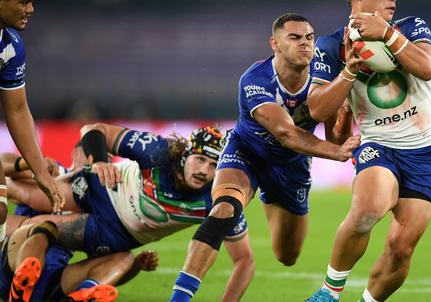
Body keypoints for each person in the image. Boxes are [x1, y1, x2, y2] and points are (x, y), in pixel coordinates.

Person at [168, 13, 360, 302]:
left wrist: (344, 113)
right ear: (275, 43)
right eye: (294, 38)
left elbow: (337, 137)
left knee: (288, 256)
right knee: (223, 210)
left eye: (308, 38)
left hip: (291, 168)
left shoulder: (322, 81)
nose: (304, 44)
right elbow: (286, 132)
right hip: (247, 154)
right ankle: (179, 299)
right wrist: (336, 153)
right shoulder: (255, 79)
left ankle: (269, 197)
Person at [306, 0, 431, 302]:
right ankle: (329, 292)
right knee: (369, 209)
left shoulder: (410, 27)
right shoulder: (331, 48)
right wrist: (348, 73)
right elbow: (320, 114)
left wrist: (386, 33)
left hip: (429, 152)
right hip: (379, 145)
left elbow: (429, 67)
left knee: (400, 250)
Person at [6, 125, 255, 302]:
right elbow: (94, 130)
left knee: (39, 226)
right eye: (200, 159)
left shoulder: (218, 198)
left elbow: (245, 260)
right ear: (185, 154)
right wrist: (101, 161)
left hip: (112, 234)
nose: (204, 170)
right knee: (31, 199)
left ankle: (79, 291)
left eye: (214, 166)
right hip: (98, 188)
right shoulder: (158, 151)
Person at [0, 0, 64, 242]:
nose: (31, 9)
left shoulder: (10, 48)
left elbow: (17, 111)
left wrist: (41, 173)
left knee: (1, 211)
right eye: (24, 1)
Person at [1, 221, 158, 302]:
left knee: (125, 257)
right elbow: (7, 172)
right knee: (45, 227)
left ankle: (78, 297)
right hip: (15, 262)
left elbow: (104, 271)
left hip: (53, 281)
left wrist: (135, 265)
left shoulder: (87, 201)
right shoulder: (33, 176)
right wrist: (24, 166)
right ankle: (20, 287)